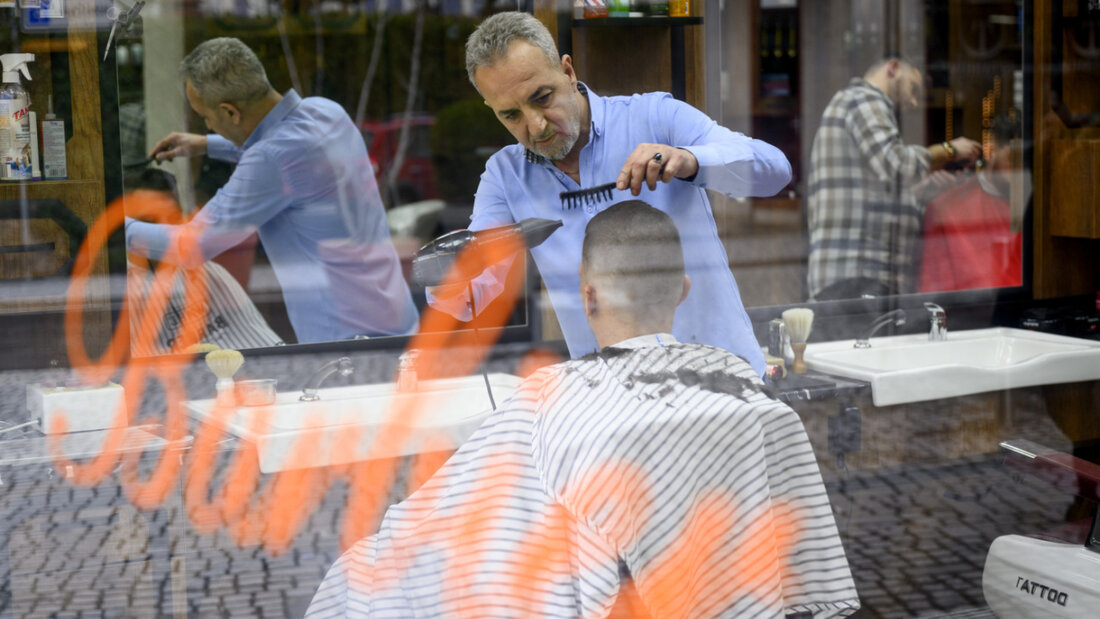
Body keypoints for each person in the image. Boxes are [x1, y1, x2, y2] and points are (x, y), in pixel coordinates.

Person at [307, 201, 859, 618]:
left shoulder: (548, 401)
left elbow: (437, 539)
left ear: (588, 297)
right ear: (683, 290)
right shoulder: (748, 390)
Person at [430, 12, 792, 376]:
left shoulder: (655, 117)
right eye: (511, 115)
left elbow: (774, 170)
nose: (536, 126)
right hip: (614, 405)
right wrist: (443, 273)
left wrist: (689, 159)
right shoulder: (505, 177)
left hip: (721, 384)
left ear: (568, 72)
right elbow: (470, 294)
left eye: (542, 97)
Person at [125, 37, 418, 344]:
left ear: (230, 113)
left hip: (348, 347)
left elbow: (190, 247)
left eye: (206, 118)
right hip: (398, 323)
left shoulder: (271, 160)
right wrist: (206, 144)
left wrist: (114, 225)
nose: (208, 126)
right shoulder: (325, 112)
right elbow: (284, 153)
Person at [806, 56, 983, 300]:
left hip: (855, 275)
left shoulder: (854, 103)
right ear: (893, 68)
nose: (912, 102)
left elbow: (878, 187)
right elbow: (897, 164)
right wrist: (949, 150)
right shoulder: (864, 99)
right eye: (913, 89)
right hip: (858, 274)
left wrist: (922, 191)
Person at [918, 116, 1023, 292]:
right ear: (992, 150)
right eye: (1015, 157)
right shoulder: (946, 211)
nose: (1021, 167)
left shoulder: (1035, 207)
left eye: (1027, 159)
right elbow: (933, 289)